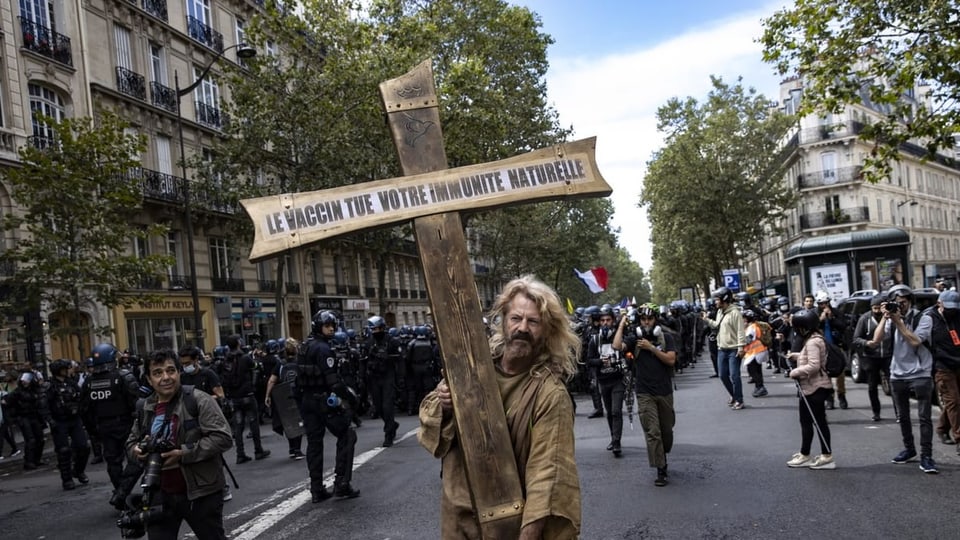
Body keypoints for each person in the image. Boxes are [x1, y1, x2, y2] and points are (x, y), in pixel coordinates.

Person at [419, 275, 581, 539]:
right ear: (504, 321)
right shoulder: (474, 369)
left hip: (509, 526)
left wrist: (529, 534)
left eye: (534, 321)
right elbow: (429, 421)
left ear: (547, 330)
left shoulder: (550, 394)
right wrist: (445, 402)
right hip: (459, 516)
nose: (523, 328)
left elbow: (548, 475)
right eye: (516, 318)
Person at [126, 349, 233, 539]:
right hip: (159, 492)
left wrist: (183, 453)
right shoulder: (145, 407)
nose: (165, 377)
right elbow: (131, 443)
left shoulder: (199, 400)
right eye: (158, 373)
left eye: (170, 370)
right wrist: (136, 451)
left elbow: (222, 437)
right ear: (149, 380)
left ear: (178, 372)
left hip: (201, 493)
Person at [868, 284, 937, 473]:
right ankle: (909, 449)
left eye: (904, 303)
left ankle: (927, 455)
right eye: (897, 303)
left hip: (921, 372)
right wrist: (885, 317)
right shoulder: (891, 318)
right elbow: (876, 340)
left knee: (924, 417)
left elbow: (914, 340)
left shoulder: (924, 318)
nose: (901, 306)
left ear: (910, 301)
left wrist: (898, 320)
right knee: (902, 416)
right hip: (897, 373)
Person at [298, 310, 361, 503]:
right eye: (327, 325)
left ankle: (316, 489)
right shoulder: (324, 349)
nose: (331, 328)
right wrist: (350, 396)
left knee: (314, 443)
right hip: (324, 401)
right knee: (348, 435)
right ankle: (341, 483)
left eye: (333, 325)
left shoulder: (304, 346)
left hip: (307, 401)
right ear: (319, 326)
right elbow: (333, 382)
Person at [614, 302, 676, 486]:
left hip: (664, 391)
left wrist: (652, 348)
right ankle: (660, 468)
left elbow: (671, 360)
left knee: (666, 431)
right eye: (643, 319)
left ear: (655, 319)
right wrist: (621, 324)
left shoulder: (665, 337)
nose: (646, 322)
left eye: (649, 318)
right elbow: (617, 346)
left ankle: (663, 454)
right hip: (644, 392)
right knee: (653, 431)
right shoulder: (635, 339)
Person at [80, 343, 140, 503]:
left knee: (113, 461)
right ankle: (124, 491)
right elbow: (136, 402)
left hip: (104, 427)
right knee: (136, 458)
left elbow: (85, 410)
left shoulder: (88, 382)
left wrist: (93, 431)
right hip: (126, 424)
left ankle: (120, 491)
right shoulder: (123, 376)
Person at [786, 309, 835, 469]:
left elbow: (814, 365)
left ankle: (826, 456)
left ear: (803, 327)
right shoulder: (815, 339)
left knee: (818, 423)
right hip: (812, 387)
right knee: (806, 421)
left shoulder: (813, 341)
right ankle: (805, 453)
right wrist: (798, 356)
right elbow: (813, 358)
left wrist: (795, 372)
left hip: (815, 387)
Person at [220, 335, 270, 464]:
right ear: (238, 343)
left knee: (238, 425)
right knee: (253, 422)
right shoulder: (245, 358)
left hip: (234, 396)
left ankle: (240, 454)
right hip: (247, 394)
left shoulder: (225, 360)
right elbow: (256, 368)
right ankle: (258, 450)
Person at [587, 305, 626, 456]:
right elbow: (589, 360)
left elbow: (627, 353)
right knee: (610, 412)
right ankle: (613, 438)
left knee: (616, 411)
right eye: (602, 320)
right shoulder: (594, 340)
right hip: (603, 381)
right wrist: (601, 362)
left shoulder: (618, 335)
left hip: (618, 379)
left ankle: (617, 442)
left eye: (608, 320)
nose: (604, 323)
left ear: (613, 321)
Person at [46, 359, 91, 490]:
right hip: (59, 421)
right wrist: (50, 420)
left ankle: (78, 470)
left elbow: (81, 398)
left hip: (74, 419)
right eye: (64, 369)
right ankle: (67, 479)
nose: (67, 370)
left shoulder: (71, 383)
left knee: (83, 446)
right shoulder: (50, 386)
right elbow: (44, 405)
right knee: (63, 450)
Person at [702, 287, 746, 410]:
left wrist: (741, 347)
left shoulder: (735, 313)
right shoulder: (721, 312)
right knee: (722, 375)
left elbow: (740, 331)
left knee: (734, 375)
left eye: (717, 299)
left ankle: (739, 400)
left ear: (724, 299)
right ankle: (734, 395)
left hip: (733, 349)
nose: (715, 302)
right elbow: (717, 325)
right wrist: (707, 320)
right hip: (722, 348)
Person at [362, 316, 403, 447]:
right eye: (372, 329)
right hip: (374, 377)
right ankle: (392, 424)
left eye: (376, 328)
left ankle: (388, 434)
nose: (374, 331)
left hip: (387, 376)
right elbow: (363, 362)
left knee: (387, 406)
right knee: (378, 407)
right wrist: (361, 377)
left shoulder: (392, 341)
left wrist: (401, 378)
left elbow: (400, 360)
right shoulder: (368, 343)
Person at [851, 294, 893, 421]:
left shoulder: (890, 318)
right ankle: (876, 412)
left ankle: (899, 413)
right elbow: (856, 338)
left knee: (894, 384)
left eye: (879, 308)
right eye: (874, 308)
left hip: (887, 355)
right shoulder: (865, 319)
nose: (876, 311)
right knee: (872, 386)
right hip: (870, 356)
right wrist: (866, 343)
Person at [928, 290, 960, 454]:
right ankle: (959, 438)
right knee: (953, 401)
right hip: (942, 366)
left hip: (958, 364)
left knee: (953, 402)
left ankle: (941, 428)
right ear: (939, 303)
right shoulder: (929, 318)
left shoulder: (957, 315)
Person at [264, 338, 305, 460]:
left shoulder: (280, 364)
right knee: (299, 421)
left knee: (288, 422)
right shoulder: (300, 362)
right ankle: (297, 449)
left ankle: (292, 448)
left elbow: (272, 380)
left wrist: (267, 395)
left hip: (283, 395)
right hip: (298, 394)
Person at [1, 371, 47, 470]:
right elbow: (6, 401)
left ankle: (36, 459)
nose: (25, 382)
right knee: (30, 440)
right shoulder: (18, 392)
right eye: (24, 380)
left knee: (40, 438)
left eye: (27, 380)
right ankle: (29, 462)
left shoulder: (34, 391)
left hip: (34, 416)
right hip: (23, 417)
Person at [815, 291, 848, 409]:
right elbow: (813, 327)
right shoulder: (816, 314)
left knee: (840, 374)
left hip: (836, 346)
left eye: (825, 303)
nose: (823, 306)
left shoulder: (837, 313)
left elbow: (843, 326)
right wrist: (821, 319)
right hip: (823, 348)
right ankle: (829, 398)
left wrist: (832, 318)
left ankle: (842, 396)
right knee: (825, 375)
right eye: (820, 304)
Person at [742, 309, 769, 398]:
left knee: (752, 370)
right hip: (760, 350)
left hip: (755, 351)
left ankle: (760, 387)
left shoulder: (751, 328)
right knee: (757, 369)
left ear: (746, 319)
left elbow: (748, 340)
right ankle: (759, 387)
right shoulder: (755, 325)